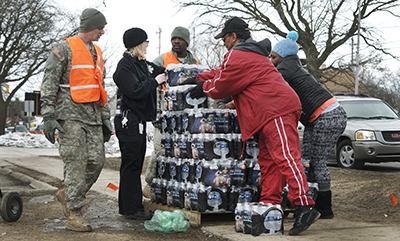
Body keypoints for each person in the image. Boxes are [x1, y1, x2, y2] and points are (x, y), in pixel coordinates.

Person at [185, 17, 320, 235]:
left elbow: (223, 84)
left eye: (225, 38)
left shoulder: (239, 54)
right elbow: (223, 73)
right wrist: (195, 77)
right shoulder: (248, 55)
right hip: (267, 112)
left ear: (234, 36)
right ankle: (270, 203)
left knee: (285, 157)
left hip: (276, 109)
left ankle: (304, 205)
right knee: (270, 160)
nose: (223, 42)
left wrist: (204, 87)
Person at [41, 8, 111, 232]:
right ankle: (74, 213)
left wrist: (105, 118)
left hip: (92, 116)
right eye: (100, 27)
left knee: (97, 162)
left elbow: (99, 88)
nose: (102, 31)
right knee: (76, 164)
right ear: (89, 26)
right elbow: (49, 83)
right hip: (68, 116)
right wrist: (49, 116)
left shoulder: (98, 53)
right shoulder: (64, 48)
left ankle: (68, 194)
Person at [270, 31, 347, 219]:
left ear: (283, 56)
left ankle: (324, 208)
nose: (270, 60)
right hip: (320, 117)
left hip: (328, 115)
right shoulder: (293, 67)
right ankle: (309, 201)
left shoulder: (284, 70)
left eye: (273, 56)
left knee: (318, 162)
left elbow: (268, 86)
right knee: (307, 160)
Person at [113, 27, 166, 220]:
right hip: (128, 123)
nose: (147, 45)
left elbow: (157, 71)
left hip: (139, 122)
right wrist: (155, 82)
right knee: (131, 164)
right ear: (137, 44)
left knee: (136, 163)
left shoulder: (142, 64)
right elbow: (134, 89)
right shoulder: (125, 66)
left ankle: (133, 205)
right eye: (145, 42)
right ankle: (130, 208)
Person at [143, 26, 200, 194]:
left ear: (186, 42)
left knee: (184, 153)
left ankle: (175, 188)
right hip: (164, 115)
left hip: (187, 116)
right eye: (173, 38)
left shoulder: (195, 64)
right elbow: (151, 88)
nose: (176, 41)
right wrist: (155, 113)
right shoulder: (161, 60)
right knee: (160, 149)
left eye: (180, 39)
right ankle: (150, 183)